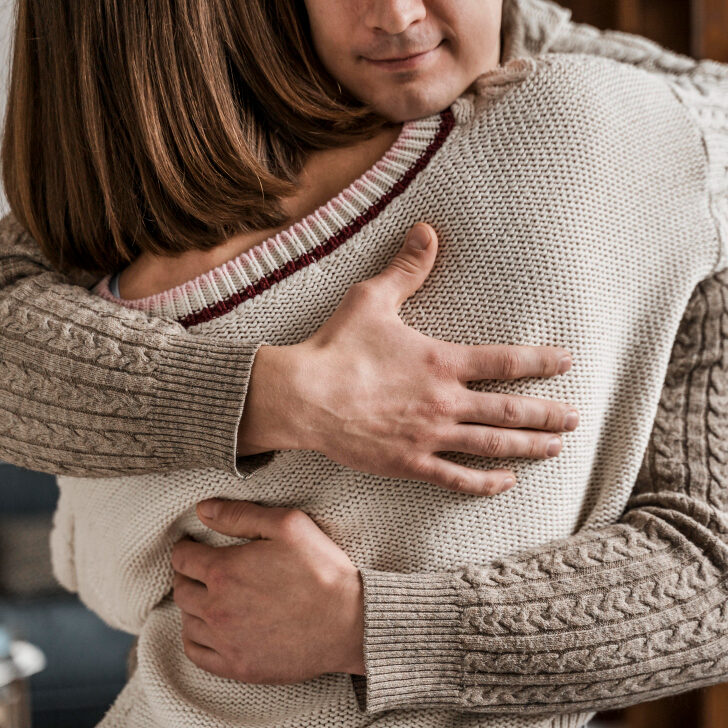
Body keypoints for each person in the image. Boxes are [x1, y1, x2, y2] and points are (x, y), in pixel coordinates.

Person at [0, 1, 727, 728]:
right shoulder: (173, 192)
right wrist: (284, 395)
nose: (397, 15)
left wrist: (367, 627)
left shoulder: (652, 147)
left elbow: (712, 573)